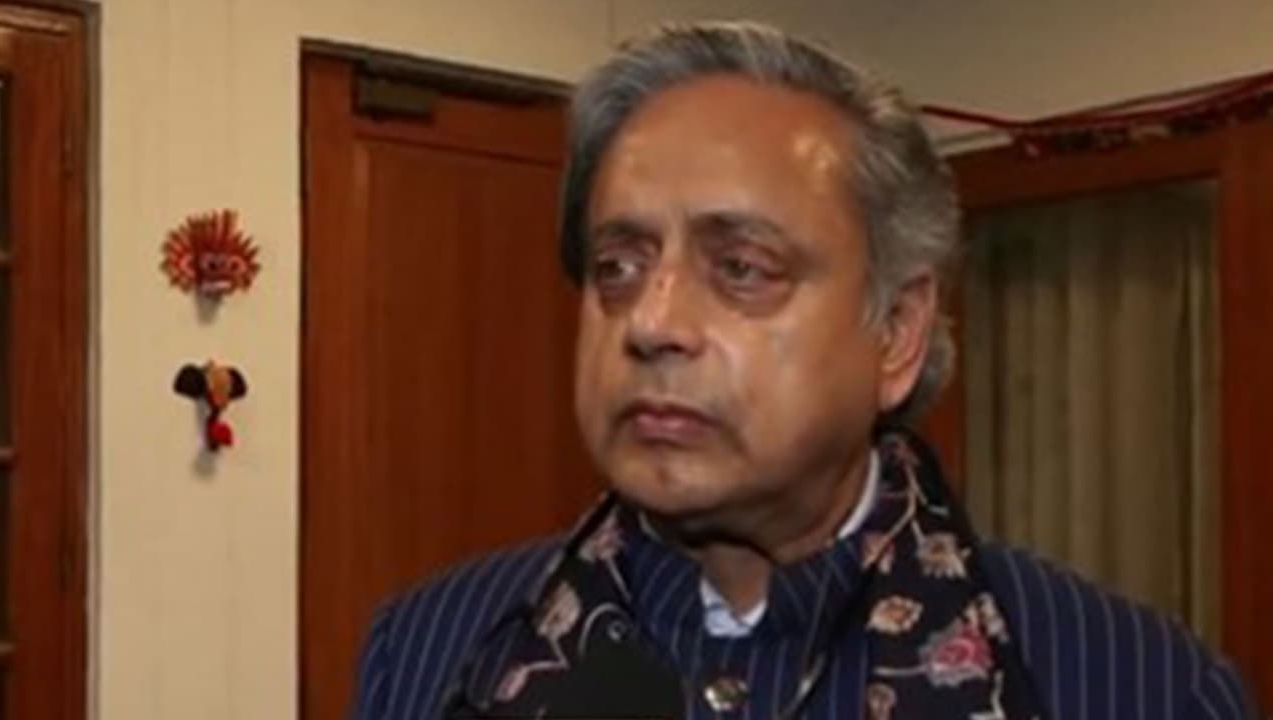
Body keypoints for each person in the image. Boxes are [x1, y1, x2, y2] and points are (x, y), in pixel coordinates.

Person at [349, 21, 1257, 720]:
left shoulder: (1130, 684)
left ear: (895, 332)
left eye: (741, 269)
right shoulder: (433, 654)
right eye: (617, 266)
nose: (652, 323)